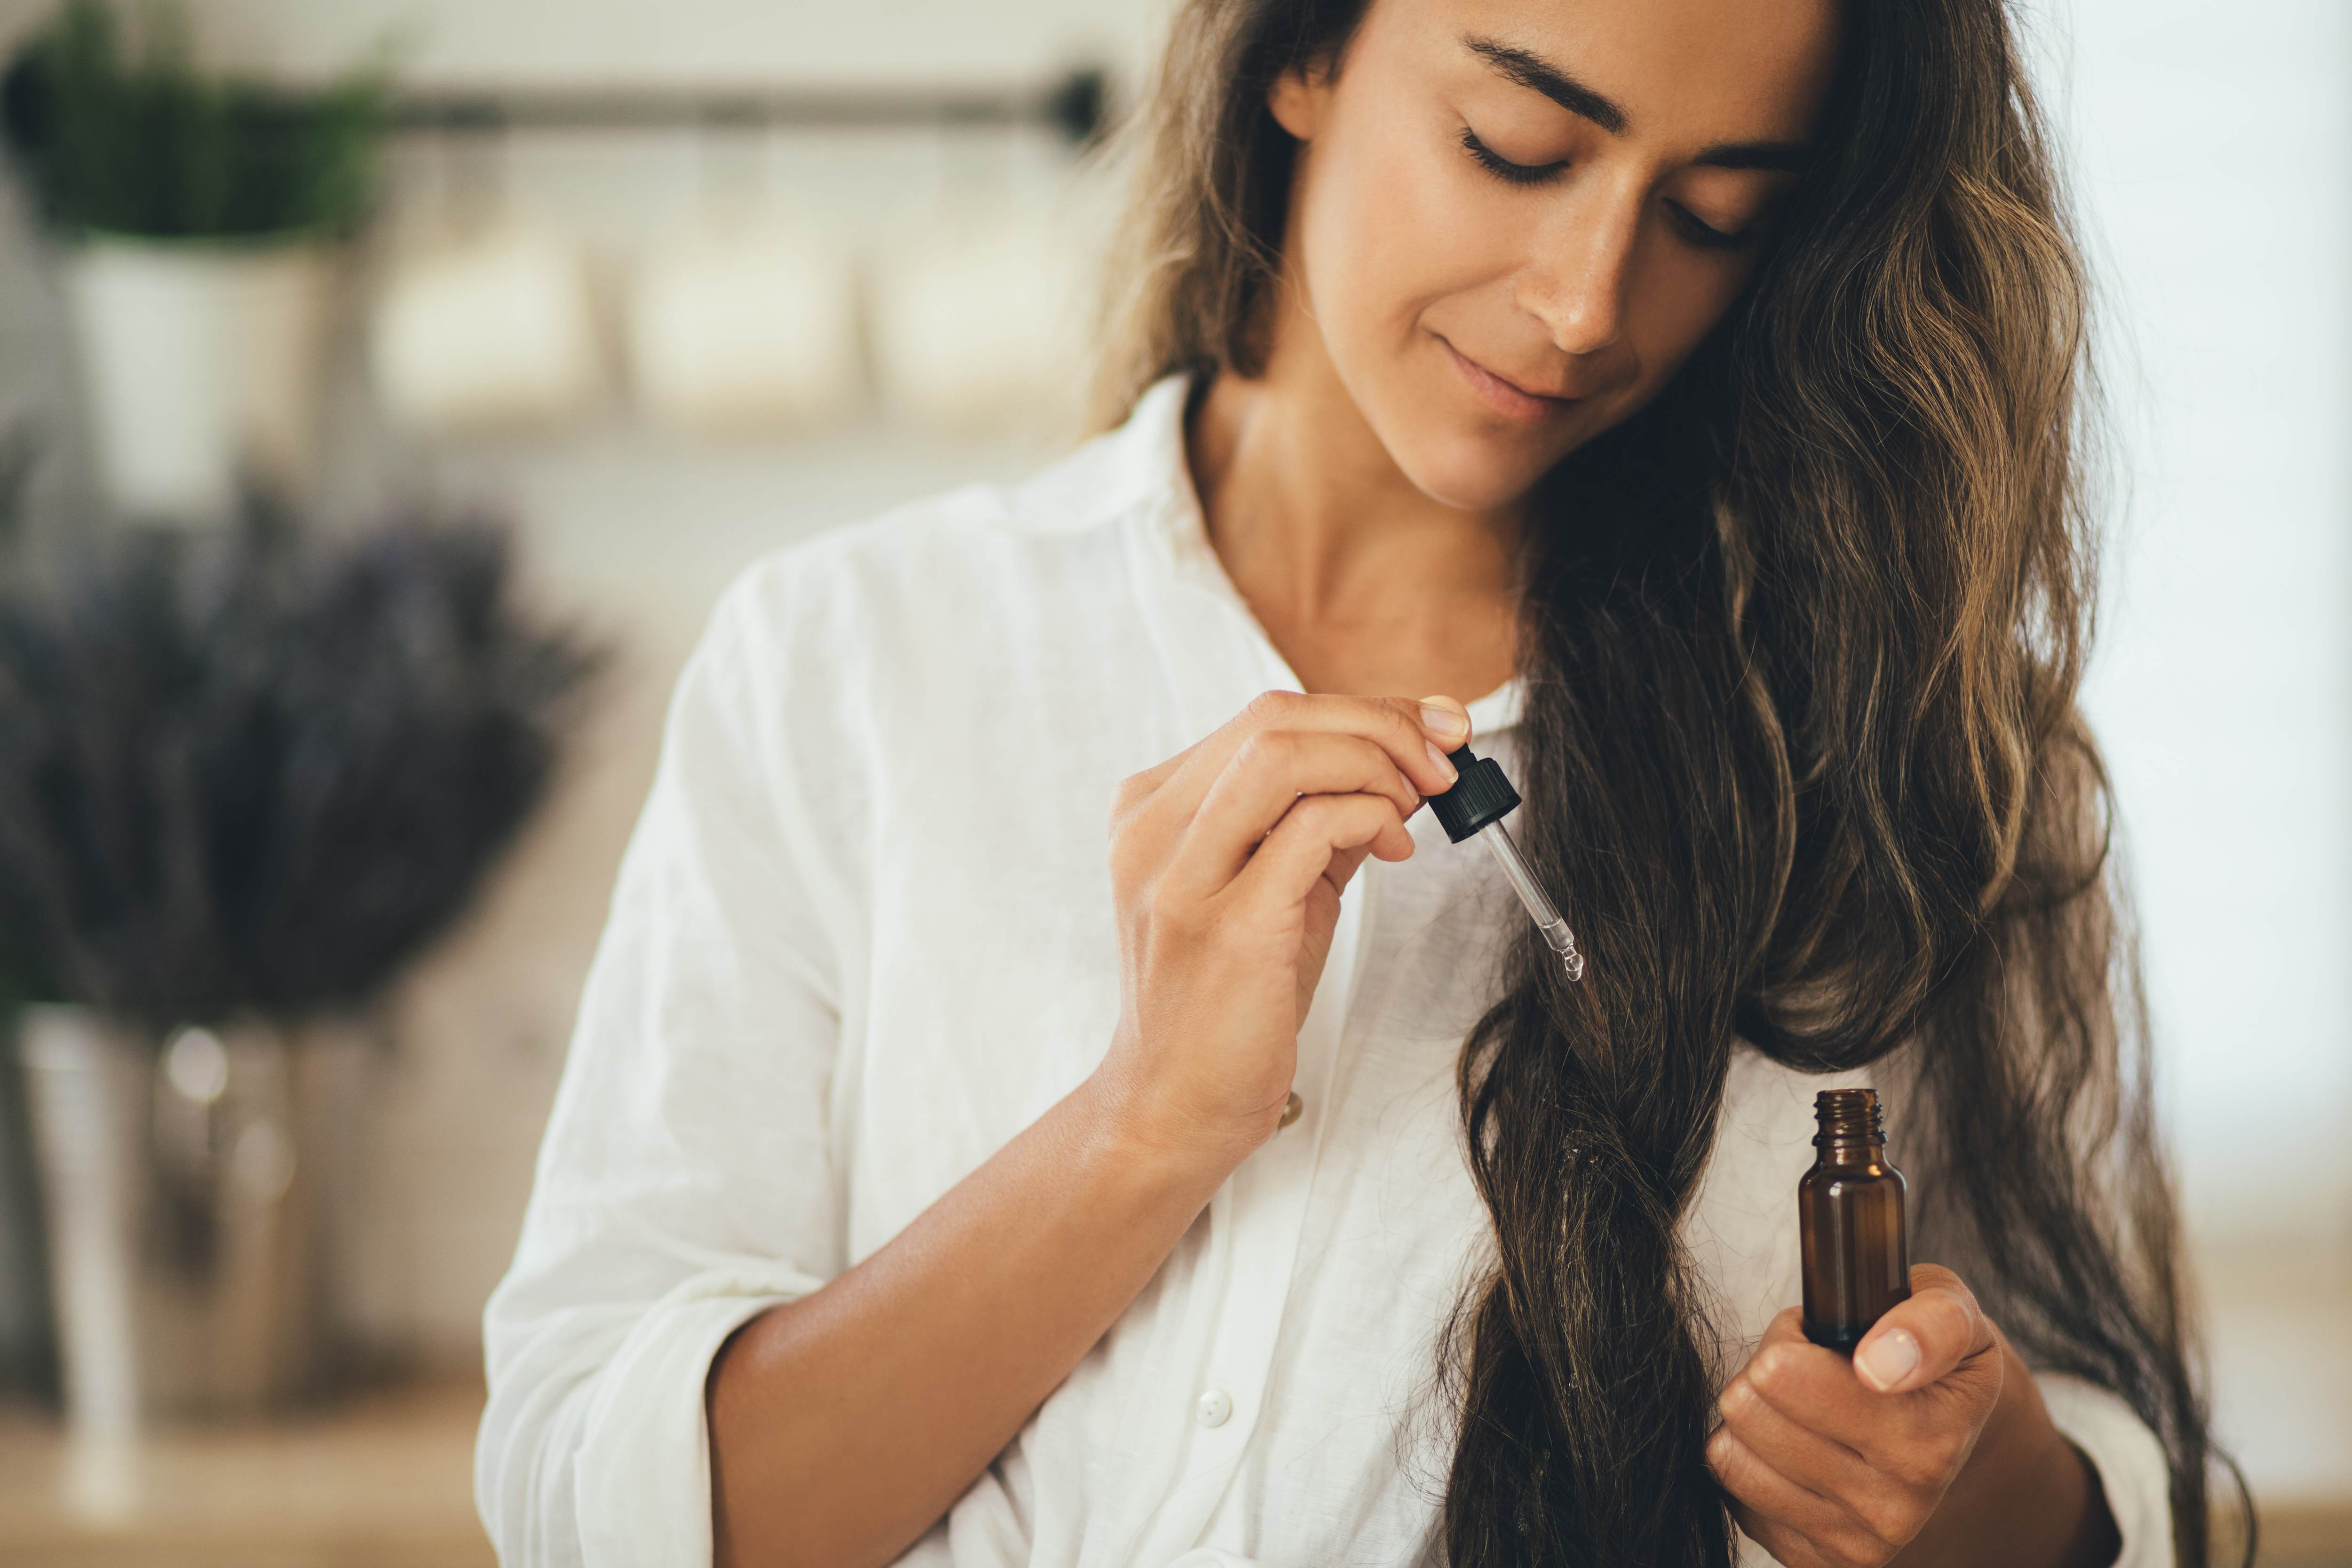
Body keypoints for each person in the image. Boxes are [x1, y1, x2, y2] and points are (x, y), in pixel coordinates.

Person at [476, 0, 2236, 1564]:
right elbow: (594, 1507)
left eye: (1713, 219)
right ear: (1304, 52)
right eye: (1517, 144)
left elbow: (2107, 1491)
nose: (1583, 303)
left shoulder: (1918, 762)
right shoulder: (848, 662)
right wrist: (1142, 1128)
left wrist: (1980, 1491)